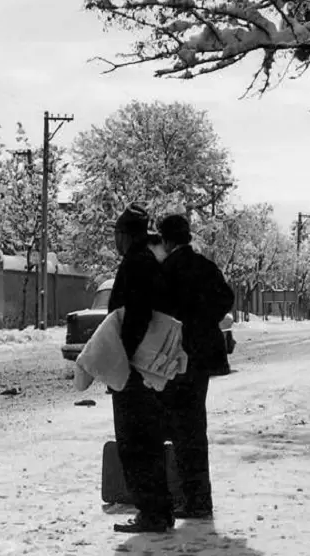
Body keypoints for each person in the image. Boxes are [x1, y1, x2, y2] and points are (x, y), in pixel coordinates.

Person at [156, 213, 235, 520]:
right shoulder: (205, 266)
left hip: (176, 356)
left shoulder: (167, 271)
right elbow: (225, 298)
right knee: (194, 425)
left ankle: (190, 500)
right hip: (202, 358)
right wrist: (204, 321)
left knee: (179, 427)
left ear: (166, 240)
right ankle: (200, 498)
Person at [107, 203, 176, 534]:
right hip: (146, 367)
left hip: (136, 368)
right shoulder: (147, 261)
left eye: (116, 235)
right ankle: (158, 511)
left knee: (135, 443)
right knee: (145, 441)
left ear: (126, 236)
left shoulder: (136, 264)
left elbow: (135, 316)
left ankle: (152, 513)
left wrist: (123, 359)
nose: (115, 241)